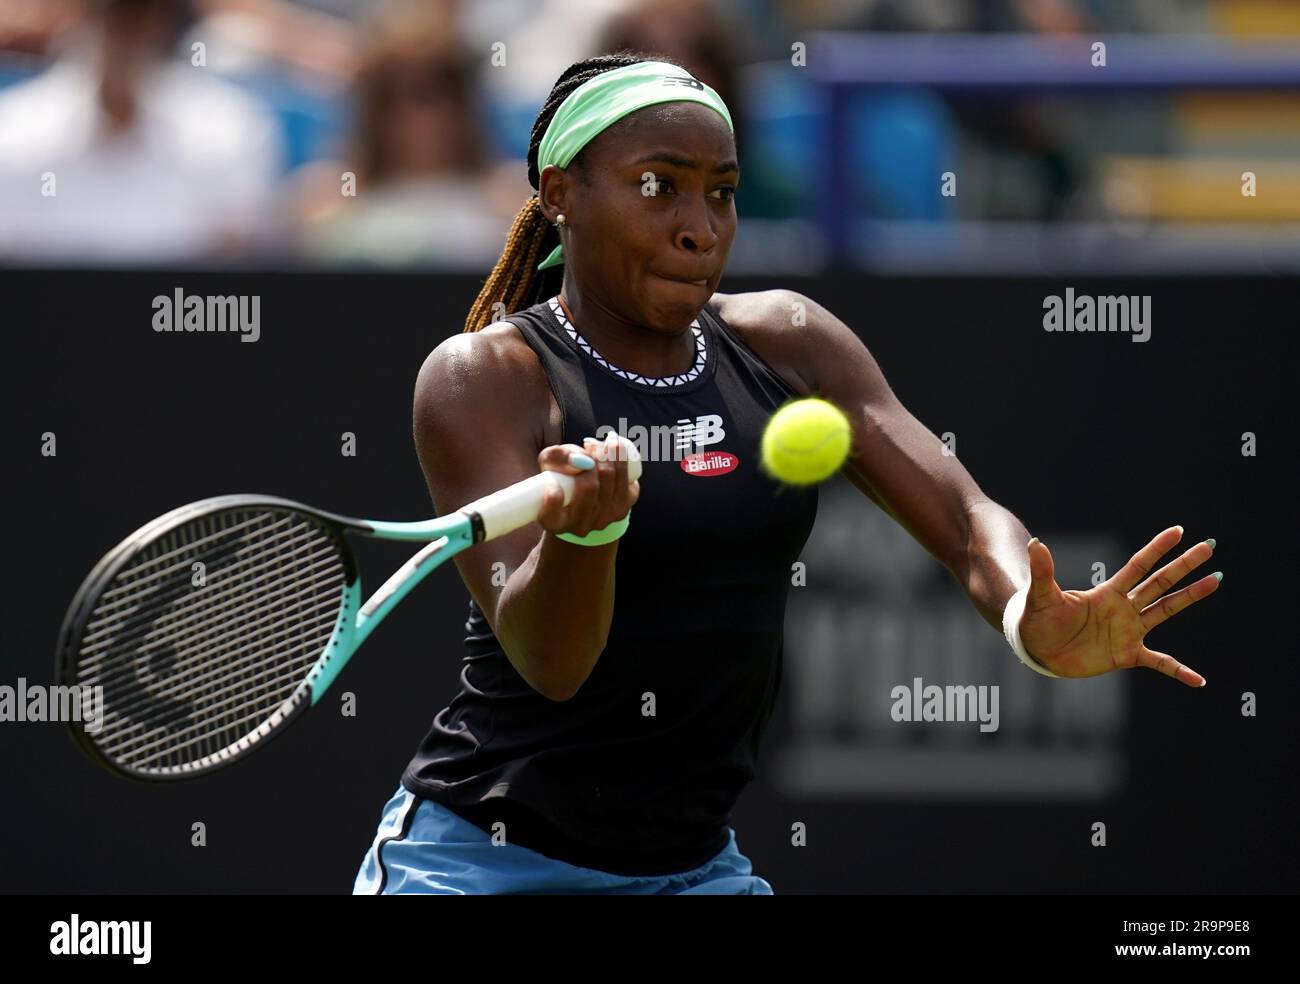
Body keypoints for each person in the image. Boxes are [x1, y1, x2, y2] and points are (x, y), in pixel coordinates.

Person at [352, 52, 1220, 895]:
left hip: (691, 872)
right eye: (658, 186)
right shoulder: (482, 379)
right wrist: (590, 535)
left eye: (721, 192)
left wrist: (1030, 617)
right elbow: (551, 661)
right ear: (560, 194)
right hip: (480, 866)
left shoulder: (790, 341)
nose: (699, 226)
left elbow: (965, 521)